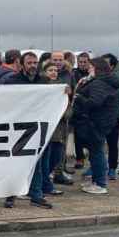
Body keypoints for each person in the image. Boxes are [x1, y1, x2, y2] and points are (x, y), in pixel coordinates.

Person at [0, 52, 52, 209]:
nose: (33, 65)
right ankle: (10, 195)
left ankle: (36, 195)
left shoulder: (44, 81)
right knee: (15, 162)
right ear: (22, 64)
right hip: (18, 127)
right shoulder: (12, 81)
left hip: (37, 127)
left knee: (37, 162)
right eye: (29, 63)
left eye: (35, 62)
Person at [72, 57, 119, 195]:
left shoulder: (99, 83)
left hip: (96, 123)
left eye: (91, 67)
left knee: (97, 152)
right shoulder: (103, 81)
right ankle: (96, 181)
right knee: (96, 152)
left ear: (98, 69)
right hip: (100, 122)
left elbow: (94, 102)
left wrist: (79, 98)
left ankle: (100, 183)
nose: (88, 69)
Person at [41, 61, 73, 195]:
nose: (53, 72)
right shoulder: (41, 87)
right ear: (44, 72)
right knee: (46, 160)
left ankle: (45, 182)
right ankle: (46, 185)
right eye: (50, 70)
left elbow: (69, 110)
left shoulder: (63, 88)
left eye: (55, 70)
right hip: (47, 130)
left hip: (60, 130)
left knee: (56, 158)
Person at [102, 53, 119, 180]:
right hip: (98, 116)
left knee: (112, 143)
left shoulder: (118, 79)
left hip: (112, 116)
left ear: (111, 65)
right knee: (97, 143)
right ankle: (97, 166)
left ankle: (112, 168)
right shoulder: (97, 76)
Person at [71, 52, 93, 169]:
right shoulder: (73, 74)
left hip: (90, 108)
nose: (82, 64)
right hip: (78, 109)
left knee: (90, 137)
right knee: (78, 137)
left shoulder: (93, 74)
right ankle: (79, 158)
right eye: (80, 62)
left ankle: (92, 159)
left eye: (85, 62)